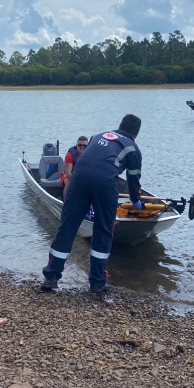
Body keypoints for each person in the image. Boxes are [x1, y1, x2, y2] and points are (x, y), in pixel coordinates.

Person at [41, 114, 143, 293]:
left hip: (78, 179)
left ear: (119, 125)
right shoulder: (133, 148)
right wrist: (135, 201)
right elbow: (133, 180)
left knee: (67, 226)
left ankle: (51, 277)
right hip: (105, 184)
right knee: (103, 229)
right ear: (136, 134)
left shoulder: (98, 135)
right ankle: (97, 282)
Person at [61, 136, 88, 200]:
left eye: (84, 146)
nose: (82, 147)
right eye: (80, 145)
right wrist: (75, 182)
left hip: (82, 174)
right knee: (68, 182)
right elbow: (67, 172)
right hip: (69, 174)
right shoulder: (70, 155)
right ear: (76, 145)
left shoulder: (90, 155)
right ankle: (66, 202)